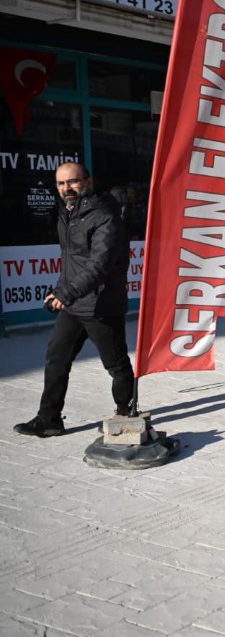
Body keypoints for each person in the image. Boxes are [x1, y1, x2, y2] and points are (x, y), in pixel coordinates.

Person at [15, 164, 135, 438]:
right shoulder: (68, 214)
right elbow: (71, 262)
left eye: (72, 182)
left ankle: (126, 412)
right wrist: (59, 291)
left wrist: (66, 294)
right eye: (60, 183)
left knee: (116, 365)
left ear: (88, 182)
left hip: (101, 305)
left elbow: (99, 265)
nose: (66, 188)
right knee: (56, 359)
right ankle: (49, 419)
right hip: (74, 305)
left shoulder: (105, 216)